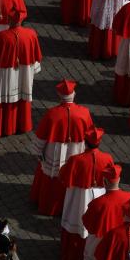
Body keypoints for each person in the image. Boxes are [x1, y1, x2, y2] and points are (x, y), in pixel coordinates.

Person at [30, 79, 94, 215]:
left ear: (59, 95)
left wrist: (37, 152)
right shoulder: (84, 112)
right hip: (76, 150)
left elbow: (41, 136)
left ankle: (49, 206)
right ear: (74, 94)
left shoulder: (52, 113)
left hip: (55, 150)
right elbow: (91, 135)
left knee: (52, 178)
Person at [58, 127, 116, 260]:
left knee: (76, 222)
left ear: (85, 142)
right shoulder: (107, 158)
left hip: (79, 196)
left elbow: (63, 175)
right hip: (100, 194)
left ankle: (73, 255)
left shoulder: (76, 159)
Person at [0, 6, 42, 137]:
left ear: (9, 20)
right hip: (24, 73)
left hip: (5, 74)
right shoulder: (31, 34)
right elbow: (37, 55)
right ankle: (22, 125)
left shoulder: (0, 37)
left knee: (1, 100)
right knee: (22, 97)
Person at [81, 164, 130, 260]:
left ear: (104, 181)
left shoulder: (97, 203)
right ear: (119, 179)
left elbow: (87, 224)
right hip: (122, 244)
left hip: (100, 243)